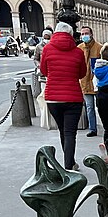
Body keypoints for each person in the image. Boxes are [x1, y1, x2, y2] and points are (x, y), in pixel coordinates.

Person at [39, 22, 88, 171]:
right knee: (70, 133)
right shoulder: (78, 52)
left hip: (53, 97)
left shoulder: (47, 49)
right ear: (71, 34)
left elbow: (43, 70)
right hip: (73, 97)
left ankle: (69, 162)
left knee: (62, 130)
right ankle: (69, 165)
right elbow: (82, 73)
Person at [77, 26, 102, 138]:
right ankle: (93, 129)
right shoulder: (79, 48)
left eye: (86, 33)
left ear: (91, 34)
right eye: (82, 34)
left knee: (101, 106)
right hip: (85, 81)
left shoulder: (99, 48)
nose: (84, 36)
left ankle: (106, 125)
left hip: (97, 82)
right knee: (89, 107)